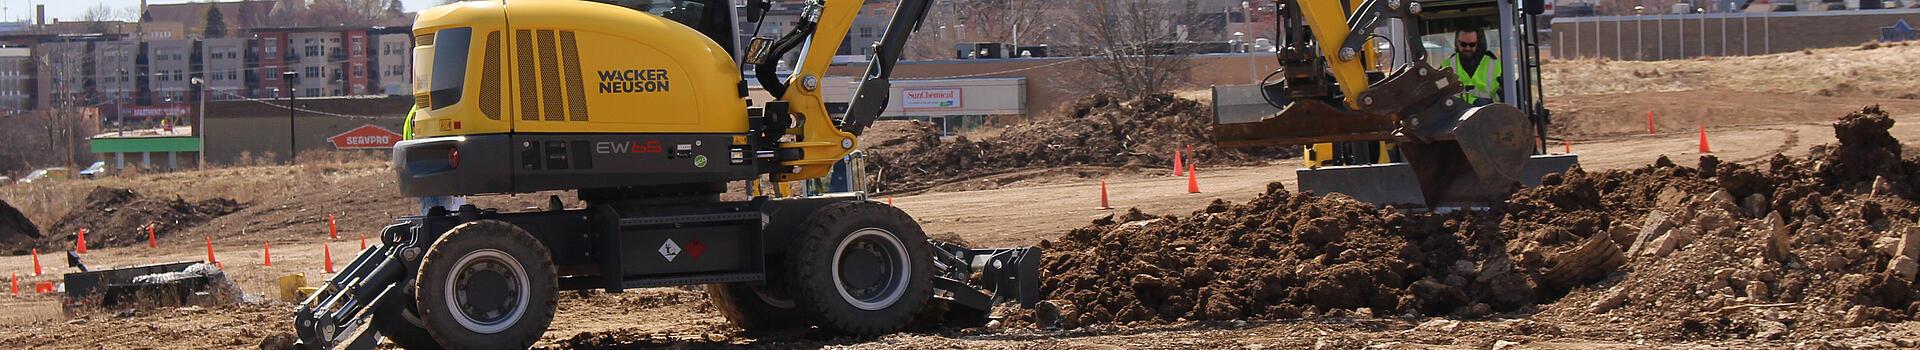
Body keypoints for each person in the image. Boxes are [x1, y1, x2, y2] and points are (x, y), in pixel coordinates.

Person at [402, 108, 466, 214]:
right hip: (437, 168)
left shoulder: (417, 111)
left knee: (433, 212)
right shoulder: (435, 110)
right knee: (446, 212)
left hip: (421, 169)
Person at [1445, 29, 1502, 106]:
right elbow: (1438, 89)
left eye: (1472, 44)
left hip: (1488, 113)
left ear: (1477, 43)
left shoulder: (1495, 65)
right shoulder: (1447, 65)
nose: (1467, 48)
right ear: (1456, 43)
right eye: (1463, 44)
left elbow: (1508, 93)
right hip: (1455, 113)